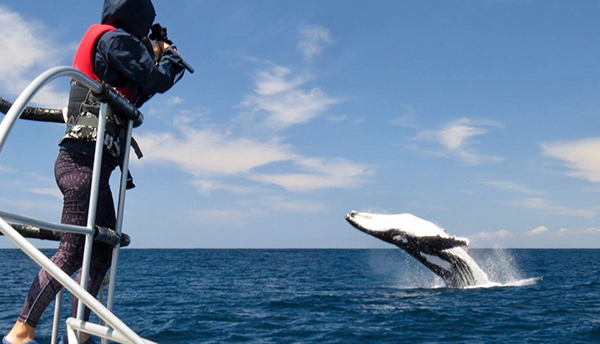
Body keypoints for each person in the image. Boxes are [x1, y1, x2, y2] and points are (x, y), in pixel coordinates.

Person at [3, 0, 186, 343]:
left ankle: (79, 334)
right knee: (74, 250)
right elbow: (155, 78)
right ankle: (21, 331)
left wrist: (155, 55)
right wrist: (169, 56)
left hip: (88, 166)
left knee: (100, 250)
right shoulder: (115, 41)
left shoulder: (111, 47)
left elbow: (138, 90)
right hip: (82, 165)